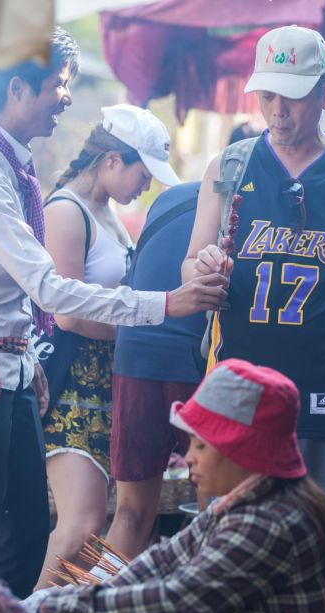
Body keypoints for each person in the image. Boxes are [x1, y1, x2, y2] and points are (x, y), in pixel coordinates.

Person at [0, 28, 227, 598]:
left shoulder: (14, 164)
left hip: (5, 371)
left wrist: (25, 359)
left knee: (28, 532)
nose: (66, 99)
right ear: (19, 88)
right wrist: (166, 305)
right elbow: (51, 291)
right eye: (59, 86)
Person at [183, 25, 325, 554]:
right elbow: (190, 268)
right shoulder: (227, 168)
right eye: (268, 95)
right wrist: (203, 267)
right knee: (231, 552)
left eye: (294, 97)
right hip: (238, 397)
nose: (278, 111)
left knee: (317, 550)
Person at [35, 359, 325, 613]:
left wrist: (51, 612)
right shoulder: (243, 501)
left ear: (243, 452)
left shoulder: (270, 522)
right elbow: (164, 560)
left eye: (201, 446)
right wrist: (62, 601)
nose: (189, 457)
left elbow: (174, 605)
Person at [33, 104, 181, 590]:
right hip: (72, 388)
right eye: (143, 172)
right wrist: (145, 324)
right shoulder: (65, 211)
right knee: (79, 526)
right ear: (113, 160)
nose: (147, 185)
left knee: (96, 529)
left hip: (111, 384)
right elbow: (67, 313)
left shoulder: (108, 214)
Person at [105, 180, 207, 559]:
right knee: (213, 511)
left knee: (130, 513)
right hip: (193, 359)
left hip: (135, 354)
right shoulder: (245, 202)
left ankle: (98, 611)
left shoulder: (170, 197)